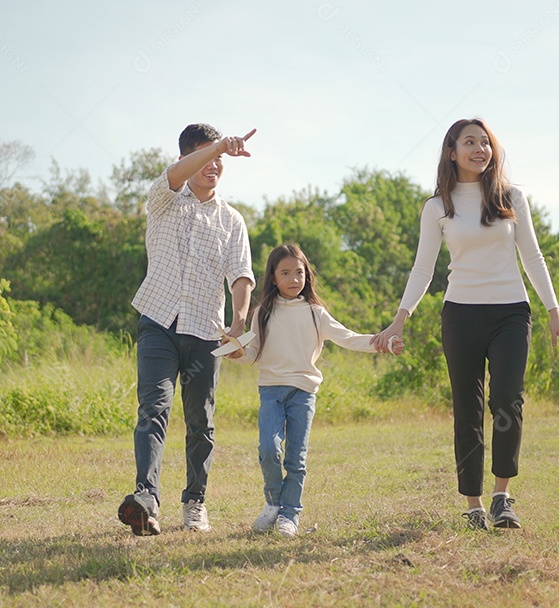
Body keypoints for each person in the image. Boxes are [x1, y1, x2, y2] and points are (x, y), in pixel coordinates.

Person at [373, 118, 559, 531]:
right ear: (452, 151)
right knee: (467, 409)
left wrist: (554, 313)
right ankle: (474, 505)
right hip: (461, 314)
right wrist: (399, 320)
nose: (480, 149)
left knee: (508, 402)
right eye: (470, 142)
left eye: (485, 143)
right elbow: (422, 269)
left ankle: (502, 497)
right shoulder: (437, 207)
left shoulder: (511, 196)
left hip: (511, 313)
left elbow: (533, 258)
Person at [117, 123, 257, 536]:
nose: (214, 165)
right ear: (185, 159)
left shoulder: (232, 220)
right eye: (205, 157)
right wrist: (218, 145)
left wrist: (239, 323)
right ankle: (146, 499)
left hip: (204, 332)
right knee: (154, 409)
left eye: (218, 159)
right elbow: (176, 176)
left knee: (201, 421)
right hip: (158, 323)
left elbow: (241, 276)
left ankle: (195, 501)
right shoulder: (164, 199)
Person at [230, 243, 404, 537]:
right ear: (273, 278)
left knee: (296, 459)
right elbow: (253, 353)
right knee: (268, 449)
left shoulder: (316, 313)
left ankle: (289, 515)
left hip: (303, 394)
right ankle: (273, 503)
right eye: (285, 273)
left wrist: (383, 342)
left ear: (307, 276)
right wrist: (236, 353)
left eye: (299, 272)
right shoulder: (261, 313)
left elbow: (348, 338)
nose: (294, 279)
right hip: (271, 391)